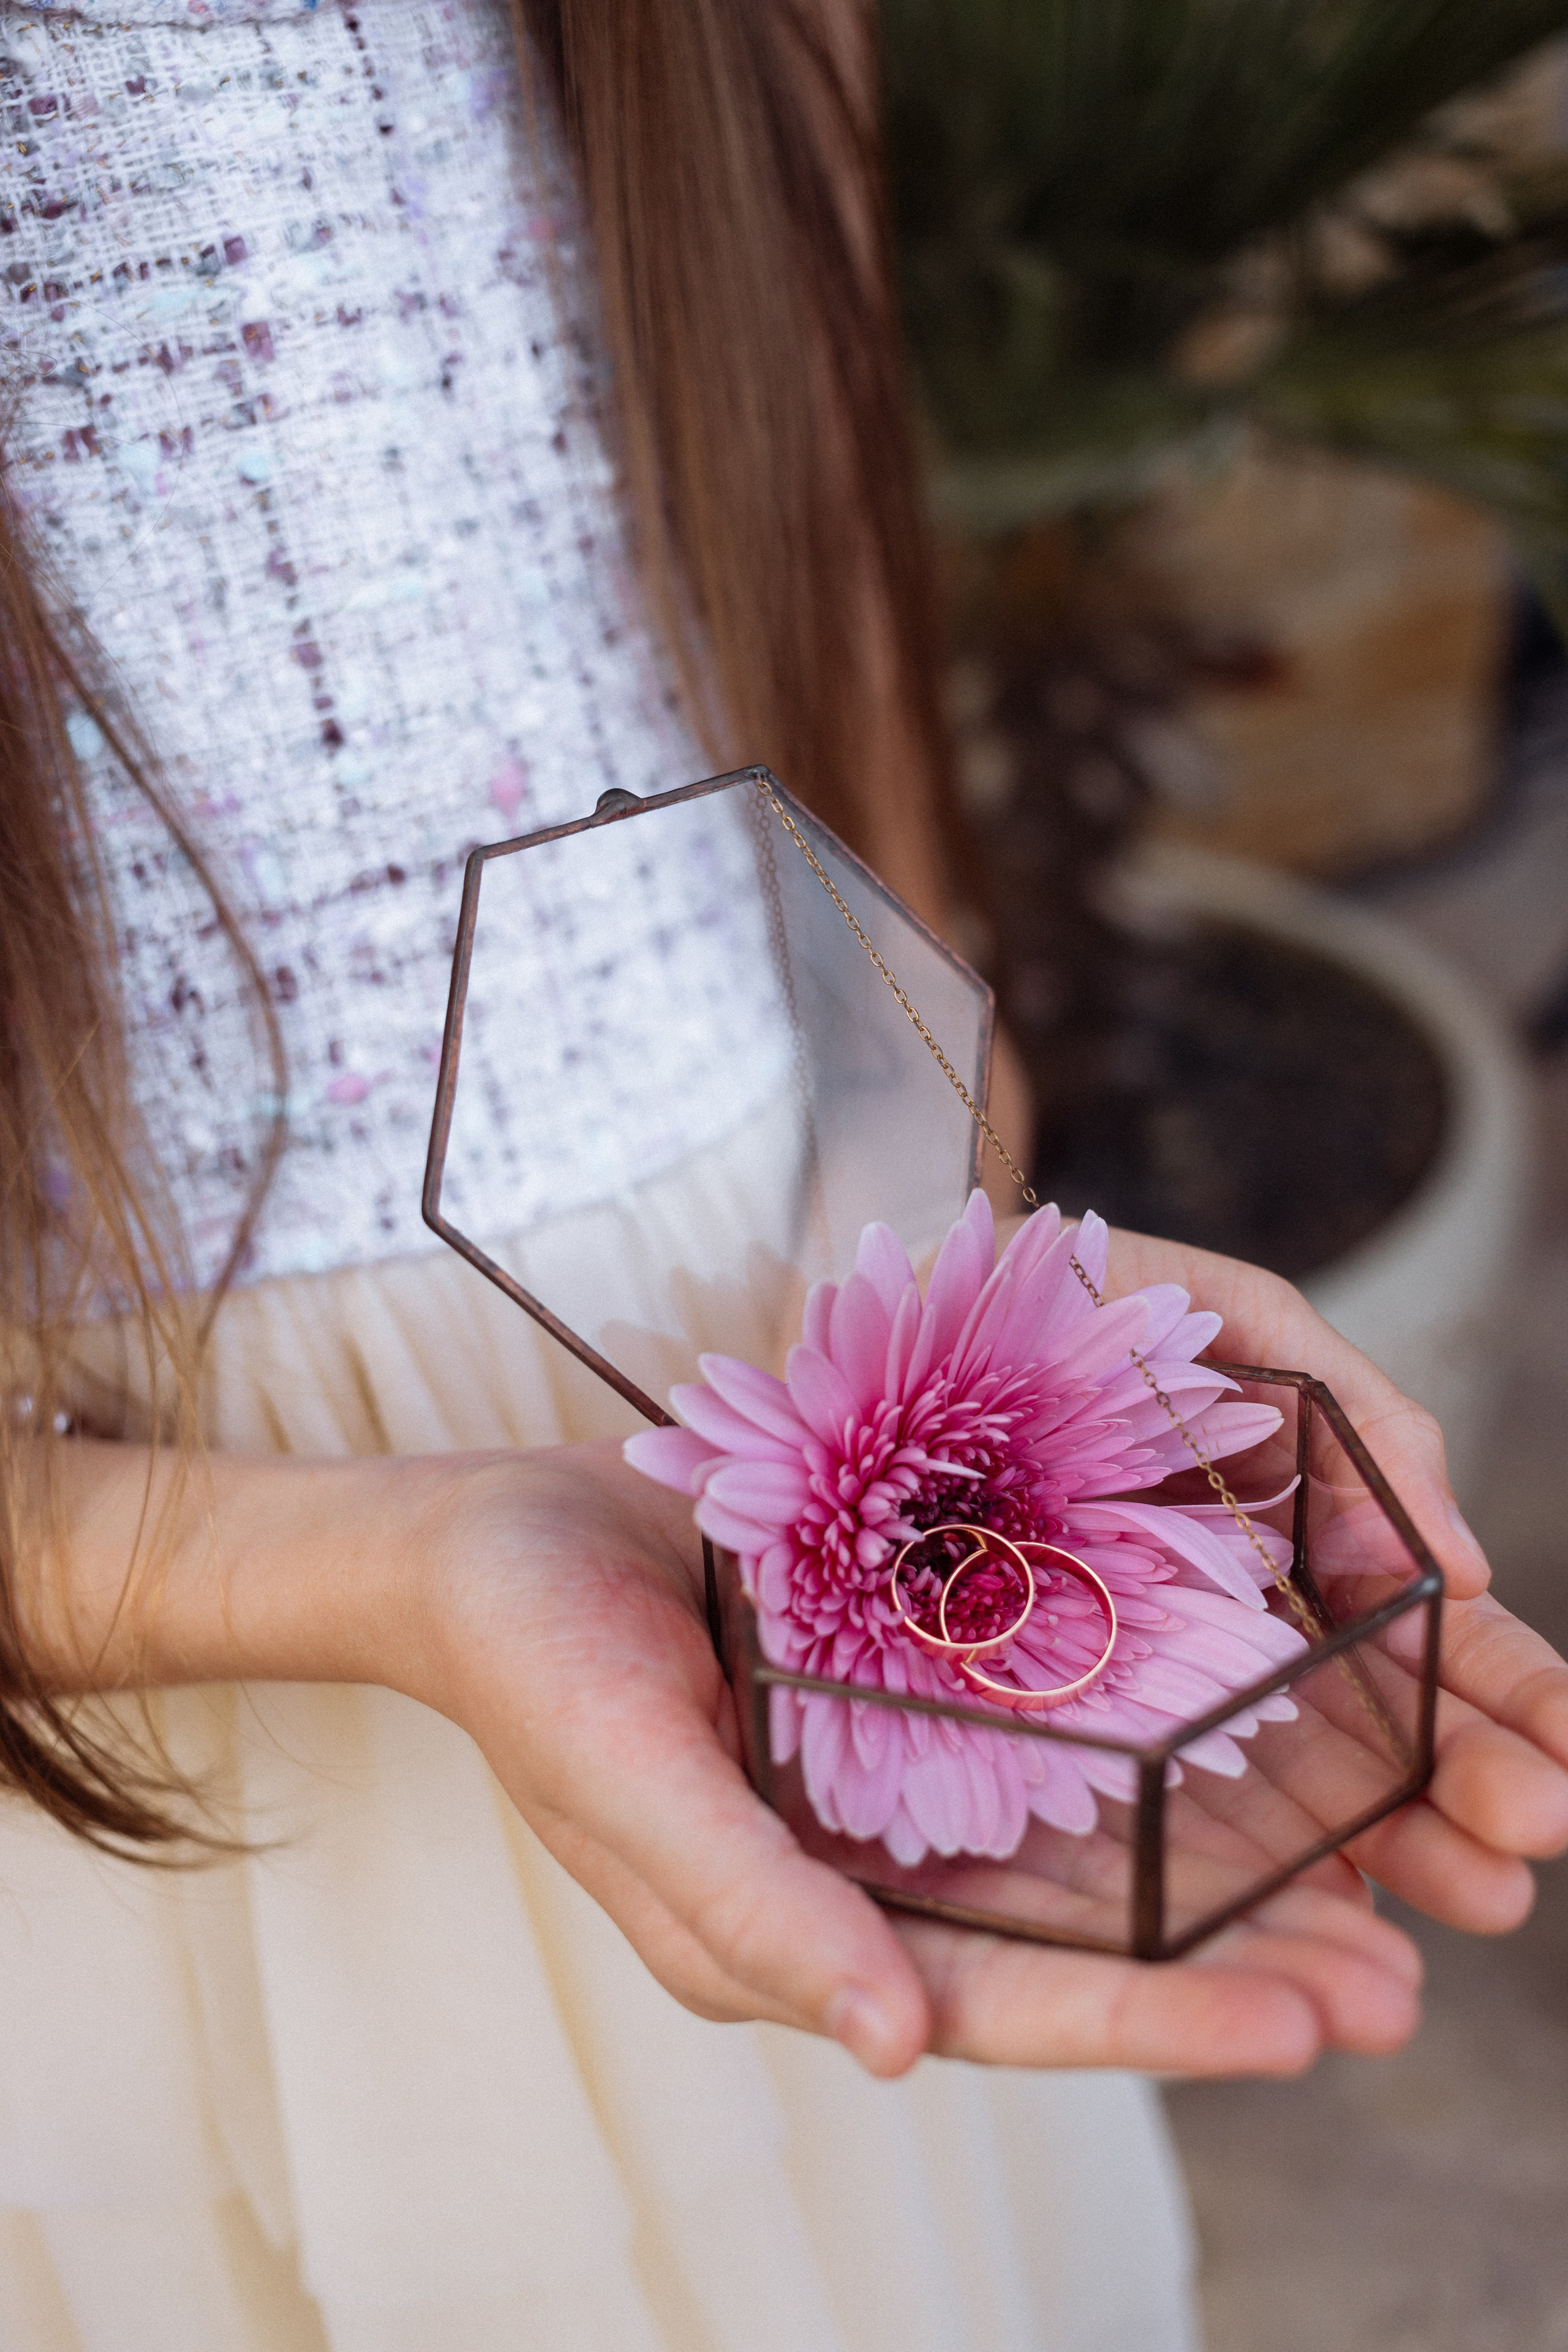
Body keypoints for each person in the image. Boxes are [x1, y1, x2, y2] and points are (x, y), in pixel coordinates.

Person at [1, 1, 1564, 2345]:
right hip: (142, 1676)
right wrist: (399, 1562)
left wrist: (980, 1282)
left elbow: (867, 842)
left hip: (771, 1343)